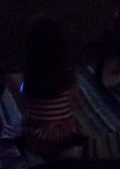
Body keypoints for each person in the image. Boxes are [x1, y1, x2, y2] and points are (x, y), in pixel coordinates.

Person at [20, 16, 85, 160]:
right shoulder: (69, 75)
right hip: (67, 137)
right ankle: (67, 153)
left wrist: (21, 87)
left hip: (38, 140)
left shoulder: (30, 76)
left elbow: (25, 99)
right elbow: (75, 98)